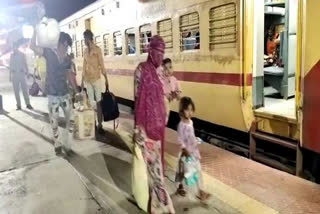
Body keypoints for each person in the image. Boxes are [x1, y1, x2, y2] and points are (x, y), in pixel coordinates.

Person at [133, 35, 175, 214]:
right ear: (150, 51)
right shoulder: (141, 70)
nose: (160, 56)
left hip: (158, 131)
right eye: (158, 52)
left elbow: (160, 99)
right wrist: (138, 128)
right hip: (145, 130)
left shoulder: (157, 74)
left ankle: (156, 205)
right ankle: (163, 208)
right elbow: (137, 99)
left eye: (163, 52)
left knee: (155, 172)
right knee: (155, 174)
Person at [30, 31, 81, 156]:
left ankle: (67, 144)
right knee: (54, 121)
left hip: (65, 93)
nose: (66, 49)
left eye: (68, 46)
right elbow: (32, 46)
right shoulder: (48, 53)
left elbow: (69, 75)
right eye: (65, 46)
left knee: (71, 119)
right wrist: (35, 30)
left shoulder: (67, 58)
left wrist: (76, 91)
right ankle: (57, 143)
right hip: (52, 94)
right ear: (60, 44)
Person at [175, 97, 210, 203]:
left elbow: (191, 135)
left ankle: (201, 192)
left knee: (197, 171)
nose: (190, 112)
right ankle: (181, 186)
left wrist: (196, 140)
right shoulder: (181, 125)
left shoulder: (191, 122)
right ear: (182, 110)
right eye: (187, 110)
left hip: (194, 152)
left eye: (191, 110)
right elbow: (180, 139)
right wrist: (185, 149)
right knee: (185, 173)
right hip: (186, 153)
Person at [81, 30, 108, 134]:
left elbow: (102, 65)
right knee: (91, 103)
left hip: (96, 79)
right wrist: (82, 81)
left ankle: (100, 125)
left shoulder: (97, 50)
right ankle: (94, 123)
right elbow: (84, 66)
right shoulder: (85, 51)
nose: (84, 41)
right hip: (88, 80)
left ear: (88, 38)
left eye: (84, 39)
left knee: (98, 102)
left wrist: (106, 79)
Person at [9, 41, 33, 110]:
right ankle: (18, 105)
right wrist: (10, 76)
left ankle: (28, 104)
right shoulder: (11, 56)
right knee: (16, 91)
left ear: (17, 47)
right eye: (13, 47)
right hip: (14, 75)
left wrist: (27, 72)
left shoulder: (22, 54)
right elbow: (10, 66)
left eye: (15, 47)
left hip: (21, 74)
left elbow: (25, 63)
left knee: (25, 90)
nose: (14, 48)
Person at [159, 58, 181, 124]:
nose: (168, 70)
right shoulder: (161, 80)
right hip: (160, 101)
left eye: (170, 67)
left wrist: (178, 94)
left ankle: (164, 121)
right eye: (165, 69)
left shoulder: (174, 79)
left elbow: (178, 90)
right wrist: (165, 94)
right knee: (164, 101)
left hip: (167, 101)